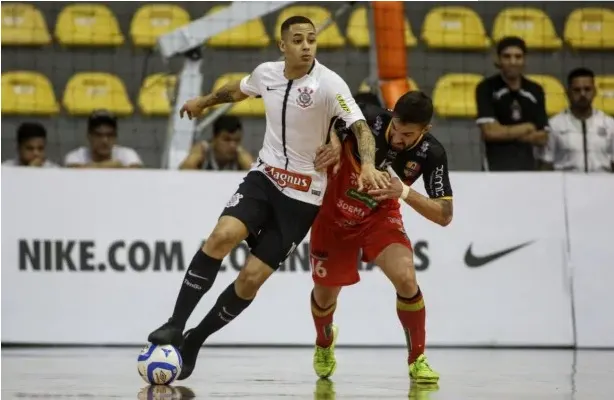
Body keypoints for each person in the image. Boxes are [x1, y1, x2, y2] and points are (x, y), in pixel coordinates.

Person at [147, 15, 389, 380]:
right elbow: (239, 89)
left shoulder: (329, 83)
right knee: (221, 236)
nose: (306, 46)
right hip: (266, 177)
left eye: (311, 40)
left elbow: (359, 126)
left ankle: (195, 341)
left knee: (250, 280)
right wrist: (203, 102)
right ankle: (174, 324)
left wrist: (367, 163)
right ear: (283, 46)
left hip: (303, 196)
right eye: (298, 40)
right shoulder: (267, 74)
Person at [309, 91, 453, 385]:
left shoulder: (432, 153)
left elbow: (444, 214)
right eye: (395, 130)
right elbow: (329, 115)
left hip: (379, 215)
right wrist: (335, 142)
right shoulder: (368, 118)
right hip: (333, 215)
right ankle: (324, 342)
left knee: (406, 279)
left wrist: (403, 192)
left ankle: (417, 360)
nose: (398, 139)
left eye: (407, 135)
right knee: (325, 298)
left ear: (425, 130)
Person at [475, 36, 549, 171]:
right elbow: (490, 132)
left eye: (518, 56)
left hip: (528, 170)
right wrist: (527, 127)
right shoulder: (486, 87)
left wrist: (504, 132)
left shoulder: (536, 90)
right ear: (498, 59)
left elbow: (542, 138)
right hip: (494, 169)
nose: (513, 61)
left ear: (524, 60)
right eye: (507, 56)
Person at [541, 67, 614, 173]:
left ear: (595, 92)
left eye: (587, 89)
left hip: (602, 184)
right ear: (568, 93)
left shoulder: (609, 124)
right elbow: (546, 163)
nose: (582, 94)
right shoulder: (554, 125)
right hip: (566, 186)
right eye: (577, 90)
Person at [64, 110, 143, 168]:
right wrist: (116, 166)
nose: (104, 140)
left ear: (116, 137)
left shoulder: (127, 154)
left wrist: (91, 167)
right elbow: (73, 169)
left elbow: (136, 170)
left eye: (110, 135)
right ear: (89, 136)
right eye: (98, 135)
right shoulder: (76, 156)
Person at [179, 115, 254, 171]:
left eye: (237, 140)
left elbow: (257, 177)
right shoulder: (202, 151)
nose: (232, 145)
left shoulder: (240, 155)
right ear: (214, 139)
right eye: (227, 140)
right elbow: (184, 170)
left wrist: (244, 156)